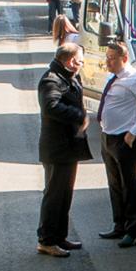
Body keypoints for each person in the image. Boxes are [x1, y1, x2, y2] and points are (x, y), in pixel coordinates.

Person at [36, 40, 91, 257]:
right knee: (54, 194)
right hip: (56, 148)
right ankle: (47, 240)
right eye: (80, 61)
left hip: (68, 147)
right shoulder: (51, 80)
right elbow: (51, 107)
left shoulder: (68, 77)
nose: (82, 65)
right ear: (69, 61)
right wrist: (79, 116)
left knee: (65, 194)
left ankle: (59, 237)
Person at [95, 41, 136, 247]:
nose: (107, 61)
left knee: (130, 185)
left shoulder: (135, 79)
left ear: (124, 59)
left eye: (111, 58)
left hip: (124, 139)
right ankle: (119, 225)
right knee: (115, 184)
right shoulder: (113, 77)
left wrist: (133, 132)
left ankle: (133, 230)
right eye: (106, 57)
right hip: (108, 136)